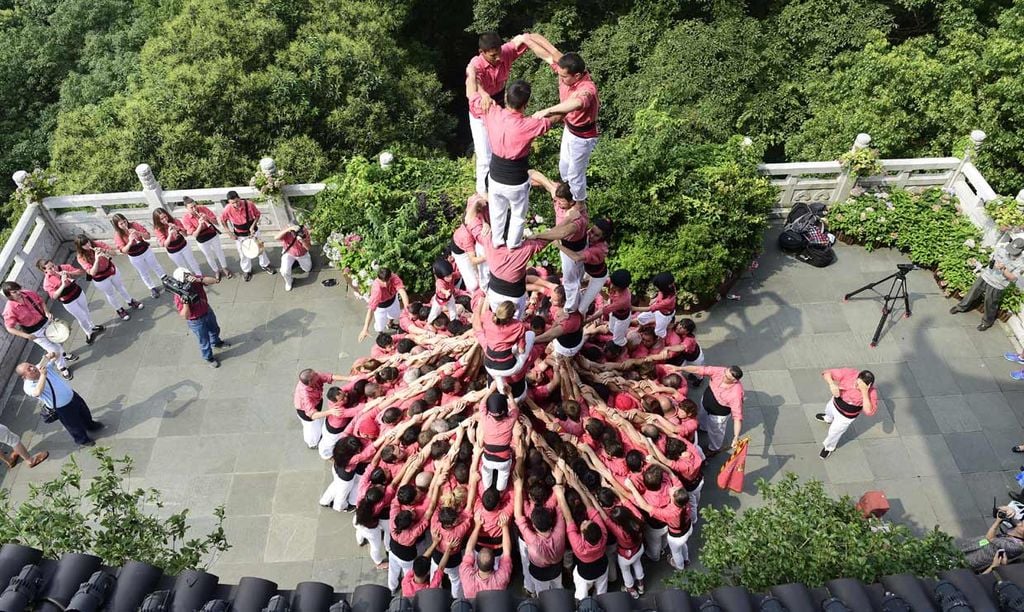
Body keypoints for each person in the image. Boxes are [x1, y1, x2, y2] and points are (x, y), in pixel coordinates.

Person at [469, 79, 553, 248]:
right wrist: (549, 110)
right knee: (517, 215)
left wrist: (476, 79)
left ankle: (497, 241)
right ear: (526, 104)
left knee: (497, 212)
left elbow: (472, 95)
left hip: (495, 178)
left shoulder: (492, 112)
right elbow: (554, 119)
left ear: (506, 96)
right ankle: (513, 245)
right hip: (516, 181)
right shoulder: (529, 124)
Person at [522, 35, 600, 202]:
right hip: (569, 129)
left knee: (574, 174)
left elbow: (576, 103)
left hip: (583, 136)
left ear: (577, 75)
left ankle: (579, 204)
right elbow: (549, 52)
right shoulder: (566, 67)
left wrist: (548, 110)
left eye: (565, 77)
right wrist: (527, 39)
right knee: (564, 169)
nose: (561, 79)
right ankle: (567, 197)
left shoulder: (587, 88)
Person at [465, 32, 529, 195]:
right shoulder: (476, 63)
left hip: (500, 105)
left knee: (501, 149)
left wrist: (551, 56)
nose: (498, 58)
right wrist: (484, 94)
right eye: (493, 56)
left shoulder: (504, 53)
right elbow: (474, 80)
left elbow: (522, 40)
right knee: (484, 156)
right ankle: (482, 192)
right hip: (482, 108)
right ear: (482, 52)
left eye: (499, 53)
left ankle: (499, 185)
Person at [530, 170, 588, 312]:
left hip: (575, 249)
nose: (558, 203)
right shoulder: (559, 194)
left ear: (572, 201)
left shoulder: (577, 217)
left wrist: (539, 236)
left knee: (571, 281)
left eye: (561, 202)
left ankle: (571, 310)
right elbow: (533, 173)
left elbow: (561, 232)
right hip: (564, 244)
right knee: (571, 280)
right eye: (557, 200)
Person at [17, 352, 103, 446]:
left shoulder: (41, 367)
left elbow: (58, 356)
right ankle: (83, 440)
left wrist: (51, 355)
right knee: (73, 425)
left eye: (30, 365)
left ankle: (90, 425)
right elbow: (37, 392)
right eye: (28, 370)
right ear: (24, 377)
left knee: (84, 412)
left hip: (72, 396)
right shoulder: (28, 386)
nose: (33, 368)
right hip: (62, 407)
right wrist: (43, 375)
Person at [2, 281, 76, 379]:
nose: (19, 292)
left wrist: (46, 312)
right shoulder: (10, 309)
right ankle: (62, 368)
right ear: (8, 295)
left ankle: (63, 354)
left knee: (57, 341)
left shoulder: (28, 293)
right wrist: (27, 336)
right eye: (14, 292)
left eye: (18, 289)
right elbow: (9, 328)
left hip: (45, 322)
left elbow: (40, 301)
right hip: (34, 331)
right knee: (53, 349)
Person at [951, 237, 1024, 331]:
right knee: (972, 292)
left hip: (998, 284)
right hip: (986, 276)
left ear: (1021, 250)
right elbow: (991, 258)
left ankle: (987, 322)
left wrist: (1003, 269)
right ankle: (961, 307)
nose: (1011, 252)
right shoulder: (1002, 249)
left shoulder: (1021, 263)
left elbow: (1012, 277)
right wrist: (993, 263)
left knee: (990, 303)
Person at [169, 267, 228, 368]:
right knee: (204, 340)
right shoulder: (178, 295)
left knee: (215, 329)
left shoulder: (195, 279)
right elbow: (185, 316)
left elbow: (215, 281)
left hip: (207, 311)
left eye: (188, 274)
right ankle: (208, 358)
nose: (189, 278)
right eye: (186, 276)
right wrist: (185, 302)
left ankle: (216, 342)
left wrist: (198, 279)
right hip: (196, 321)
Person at [680, 364, 744, 456]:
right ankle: (702, 427)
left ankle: (714, 448)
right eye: (725, 373)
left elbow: (738, 417)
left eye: (727, 377)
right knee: (702, 418)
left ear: (735, 380)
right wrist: (680, 368)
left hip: (718, 415)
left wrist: (736, 437)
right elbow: (700, 370)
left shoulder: (736, 394)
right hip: (705, 404)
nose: (723, 376)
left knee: (716, 433)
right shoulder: (721, 371)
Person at [73, 234, 141, 321]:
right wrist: (97, 259)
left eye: (88, 242)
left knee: (120, 287)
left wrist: (104, 251)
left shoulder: (97, 243)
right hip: (100, 277)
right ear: (80, 247)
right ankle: (119, 309)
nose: (88, 245)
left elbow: (114, 253)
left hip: (110, 269)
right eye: (84, 245)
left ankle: (130, 301)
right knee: (110, 293)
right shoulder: (81, 257)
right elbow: (92, 272)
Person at [37, 259, 104, 345]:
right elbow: (53, 296)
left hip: (77, 292)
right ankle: (88, 332)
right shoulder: (47, 282)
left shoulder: (62, 267)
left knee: (86, 310)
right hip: (68, 300)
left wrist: (70, 273)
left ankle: (92, 326)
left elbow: (81, 272)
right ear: (44, 271)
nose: (54, 269)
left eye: (53, 265)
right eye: (50, 268)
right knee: (81, 317)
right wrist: (63, 285)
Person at [816, 369, 878, 459]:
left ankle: (828, 447)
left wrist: (864, 392)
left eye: (861, 384)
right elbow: (827, 373)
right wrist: (832, 384)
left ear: (868, 386)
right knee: (828, 411)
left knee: (834, 432)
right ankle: (828, 418)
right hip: (834, 404)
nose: (857, 385)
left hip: (845, 417)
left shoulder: (872, 393)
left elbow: (868, 411)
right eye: (857, 381)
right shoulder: (850, 373)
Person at [220, 191, 274, 281]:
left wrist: (253, 226)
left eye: (237, 201)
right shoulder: (227, 209)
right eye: (233, 203)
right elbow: (223, 221)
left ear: (239, 198)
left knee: (260, 249)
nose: (236, 204)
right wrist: (229, 233)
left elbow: (257, 215)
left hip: (253, 231)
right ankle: (247, 270)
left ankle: (265, 265)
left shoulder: (248, 204)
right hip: (239, 234)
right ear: (229, 202)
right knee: (243, 253)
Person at [110, 213, 166, 299]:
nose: (124, 225)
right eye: (121, 224)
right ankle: (151, 288)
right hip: (134, 256)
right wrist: (130, 241)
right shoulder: (118, 235)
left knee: (156, 265)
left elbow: (148, 236)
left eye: (124, 221)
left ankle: (165, 281)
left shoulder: (134, 225)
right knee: (143, 272)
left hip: (146, 250)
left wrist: (138, 233)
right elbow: (123, 251)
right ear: (117, 226)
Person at [458, 518, 513, 600]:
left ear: (476, 561)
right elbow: (506, 552)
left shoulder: (466, 576)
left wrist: (477, 526)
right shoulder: (501, 578)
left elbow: (469, 549)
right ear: (494, 564)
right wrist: (504, 527)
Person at [293, 368, 348, 449]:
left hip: (316, 405)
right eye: (315, 375)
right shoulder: (305, 395)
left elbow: (328, 377)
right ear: (310, 382)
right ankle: (312, 444)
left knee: (317, 424)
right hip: (306, 413)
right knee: (311, 429)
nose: (317, 374)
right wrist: (330, 412)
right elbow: (313, 415)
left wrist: (348, 378)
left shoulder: (314, 378)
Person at [180, 197, 231, 279]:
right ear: (186, 208)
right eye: (191, 207)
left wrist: (207, 218)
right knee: (209, 256)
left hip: (212, 234)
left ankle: (224, 268)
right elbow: (194, 235)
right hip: (201, 239)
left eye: (195, 206)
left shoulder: (203, 209)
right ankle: (216, 271)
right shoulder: (185, 218)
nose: (194, 209)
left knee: (219, 252)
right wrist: (200, 225)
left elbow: (216, 223)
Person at [358, 268, 410, 342]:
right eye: (383, 281)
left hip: (393, 301)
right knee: (380, 325)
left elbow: (402, 293)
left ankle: (390, 324)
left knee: (395, 315)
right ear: (378, 279)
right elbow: (371, 310)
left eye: (387, 281)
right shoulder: (377, 290)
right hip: (381, 307)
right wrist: (365, 328)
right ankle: (381, 333)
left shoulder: (394, 278)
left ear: (390, 277)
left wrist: (407, 310)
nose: (385, 284)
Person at [152, 207, 202, 276]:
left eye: (165, 216)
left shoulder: (175, 221)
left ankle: (200, 275)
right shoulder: (158, 229)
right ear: (158, 220)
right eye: (161, 219)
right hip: (173, 251)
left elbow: (186, 234)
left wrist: (178, 228)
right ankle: (190, 278)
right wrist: (169, 235)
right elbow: (164, 244)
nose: (165, 219)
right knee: (182, 267)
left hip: (184, 246)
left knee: (192, 261)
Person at [274, 224, 312, 292]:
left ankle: (296, 263)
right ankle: (289, 282)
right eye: (293, 231)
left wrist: (302, 241)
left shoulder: (304, 232)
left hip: (302, 254)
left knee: (308, 269)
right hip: (289, 253)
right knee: (284, 271)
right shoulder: (287, 231)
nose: (294, 233)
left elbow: (308, 248)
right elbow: (276, 237)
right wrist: (288, 230)